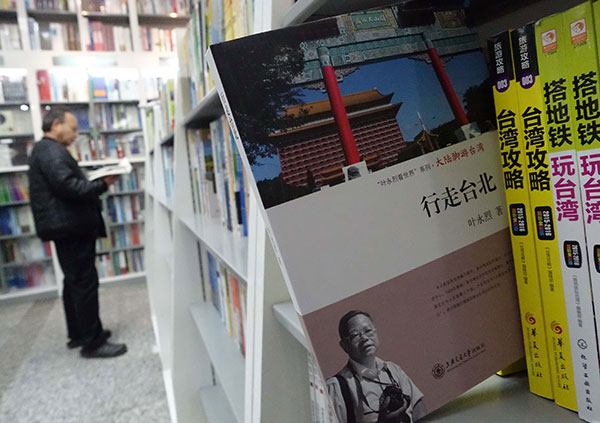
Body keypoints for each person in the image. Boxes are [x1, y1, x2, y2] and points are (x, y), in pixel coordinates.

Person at [28, 107, 127, 359]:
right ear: (56, 125)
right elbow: (70, 188)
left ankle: (80, 334)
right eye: (72, 128)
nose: (76, 134)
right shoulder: (52, 152)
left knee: (73, 282)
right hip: (70, 227)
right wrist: (104, 182)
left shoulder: (46, 150)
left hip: (64, 227)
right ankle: (92, 343)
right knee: (83, 283)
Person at [327, 310, 426, 423]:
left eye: (368, 331)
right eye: (355, 335)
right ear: (344, 345)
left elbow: (418, 405)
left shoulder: (393, 369)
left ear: (376, 332)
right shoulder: (336, 387)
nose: (364, 338)